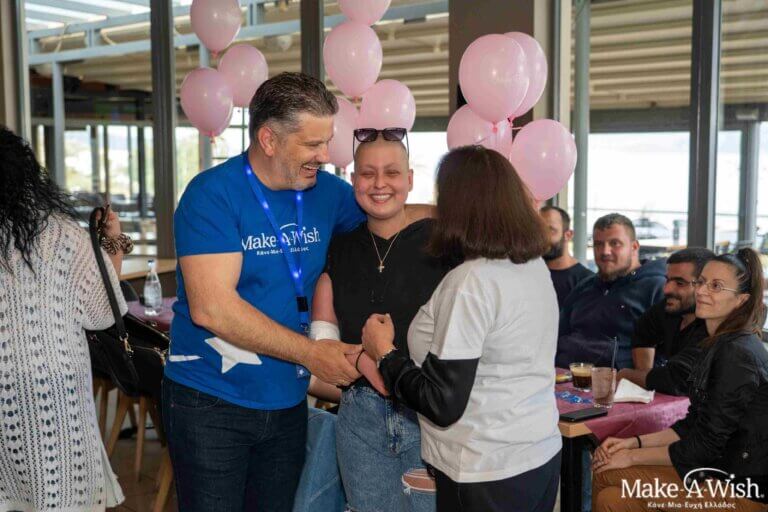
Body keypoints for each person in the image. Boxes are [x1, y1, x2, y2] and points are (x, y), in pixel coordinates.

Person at [163, 73, 367, 511]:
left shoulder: (328, 192)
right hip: (211, 401)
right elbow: (212, 309)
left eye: (327, 142)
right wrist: (311, 354)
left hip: (288, 400)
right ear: (269, 139)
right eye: (312, 144)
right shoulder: (212, 195)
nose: (325, 156)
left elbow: (388, 217)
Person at [362, 146, 562, 512]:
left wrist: (384, 353)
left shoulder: (472, 282)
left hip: (483, 470)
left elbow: (442, 403)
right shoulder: (531, 266)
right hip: (538, 455)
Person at [310, 128, 450, 511]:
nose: (379, 184)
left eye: (392, 172)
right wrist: (359, 359)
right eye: (368, 173)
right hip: (360, 423)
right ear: (353, 179)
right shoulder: (339, 249)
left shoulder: (443, 244)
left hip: (429, 418)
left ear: (410, 180)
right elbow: (324, 350)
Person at [0, 126, 128, 510]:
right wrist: (113, 241)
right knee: (61, 494)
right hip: (54, 392)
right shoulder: (62, 234)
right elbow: (102, 313)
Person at [592, 249, 768, 512]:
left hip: (740, 490)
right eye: (701, 281)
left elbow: (705, 445)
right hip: (715, 471)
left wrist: (631, 457)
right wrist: (632, 442)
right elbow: (693, 425)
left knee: (606, 473)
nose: (701, 291)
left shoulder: (736, 353)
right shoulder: (718, 342)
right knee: (612, 498)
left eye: (716, 286)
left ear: (741, 301)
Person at [556, 213, 666, 369]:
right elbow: (556, 337)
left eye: (615, 243)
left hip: (623, 381)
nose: (605, 251)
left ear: (634, 247)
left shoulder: (658, 289)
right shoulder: (583, 287)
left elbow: (668, 358)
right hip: (564, 376)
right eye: (598, 244)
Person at [617, 248, 714, 395]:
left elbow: (678, 380)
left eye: (680, 283)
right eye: (668, 280)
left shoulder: (716, 325)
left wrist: (627, 375)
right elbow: (643, 331)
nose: (667, 289)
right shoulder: (670, 308)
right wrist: (645, 380)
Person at [540, 205, 594, 307]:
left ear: (568, 235)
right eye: (539, 230)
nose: (543, 237)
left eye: (551, 230)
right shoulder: (530, 274)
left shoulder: (586, 282)